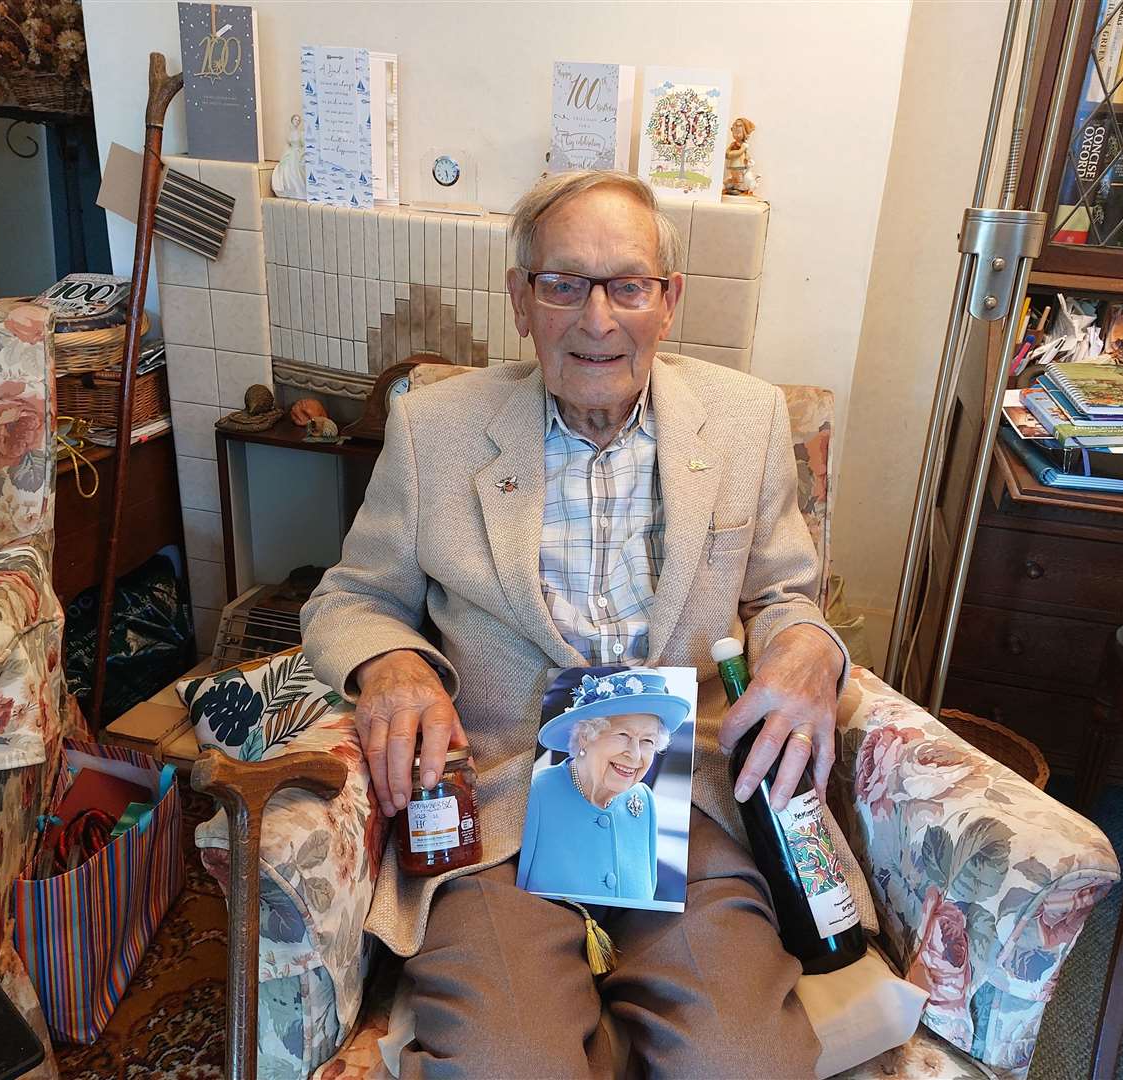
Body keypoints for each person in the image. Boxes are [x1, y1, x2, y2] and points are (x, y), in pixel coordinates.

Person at [301, 168, 850, 1078]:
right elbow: (353, 597)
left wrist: (804, 648)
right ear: (522, 299)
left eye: (627, 285)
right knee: (507, 1062)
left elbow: (787, 595)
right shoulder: (434, 431)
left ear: (667, 302)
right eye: (563, 284)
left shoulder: (746, 422)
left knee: (746, 1059)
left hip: (685, 802)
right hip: (504, 808)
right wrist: (394, 663)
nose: (598, 319)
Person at [516, 668, 690, 902]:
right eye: (622, 735)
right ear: (585, 736)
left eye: (648, 741)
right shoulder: (536, 795)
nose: (635, 754)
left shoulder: (643, 801)